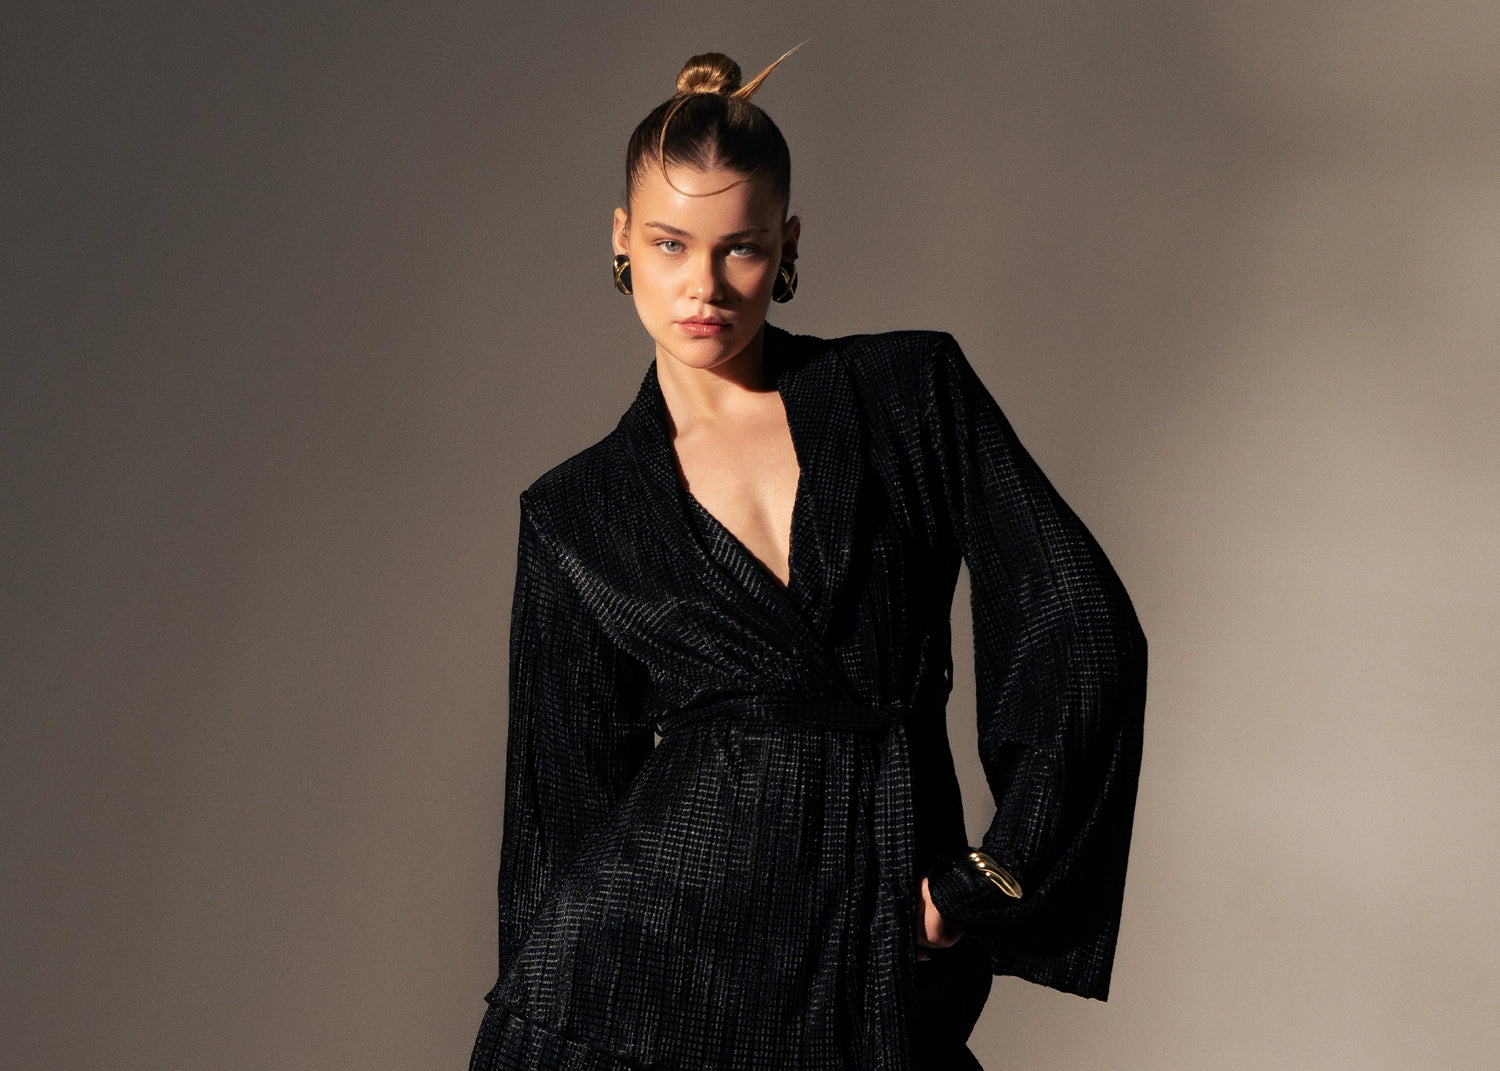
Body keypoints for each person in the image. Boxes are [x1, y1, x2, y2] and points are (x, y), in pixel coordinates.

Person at [470, 48, 1146, 1071]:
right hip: (651, 988)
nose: (703, 284)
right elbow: (554, 827)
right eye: (669, 243)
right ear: (621, 240)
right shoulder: (579, 513)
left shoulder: (908, 394)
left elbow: (1079, 623)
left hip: (873, 951)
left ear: (787, 245)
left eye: (739, 248)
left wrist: (991, 875)